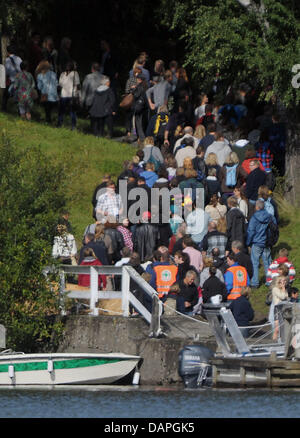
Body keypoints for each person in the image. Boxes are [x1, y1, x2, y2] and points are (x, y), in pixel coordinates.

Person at [246, 199, 276, 288]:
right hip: (266, 242)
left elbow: (251, 231)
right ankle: (269, 281)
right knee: (267, 261)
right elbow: (274, 228)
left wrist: (248, 242)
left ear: (257, 207)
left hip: (257, 242)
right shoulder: (270, 216)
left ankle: (255, 282)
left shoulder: (254, 217)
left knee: (255, 262)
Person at [57, 61, 80, 130]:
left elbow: (60, 85)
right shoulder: (72, 74)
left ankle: (61, 124)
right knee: (69, 111)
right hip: (68, 95)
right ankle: (71, 126)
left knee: (64, 111)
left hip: (67, 95)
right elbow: (78, 85)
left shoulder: (65, 74)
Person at [269, 276, 289, 341]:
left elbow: (288, 298)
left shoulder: (285, 289)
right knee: (277, 329)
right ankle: (274, 342)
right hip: (277, 309)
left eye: (285, 281)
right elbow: (283, 297)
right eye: (283, 281)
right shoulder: (275, 289)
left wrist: (284, 289)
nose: (284, 283)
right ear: (279, 282)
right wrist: (283, 288)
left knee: (283, 327)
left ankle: (282, 341)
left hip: (284, 309)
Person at [132, 73, 149, 143]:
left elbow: (136, 95)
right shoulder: (146, 86)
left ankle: (141, 138)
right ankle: (143, 137)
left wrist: (133, 90)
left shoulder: (139, 87)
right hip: (144, 107)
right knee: (143, 123)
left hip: (139, 108)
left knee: (138, 123)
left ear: (139, 80)